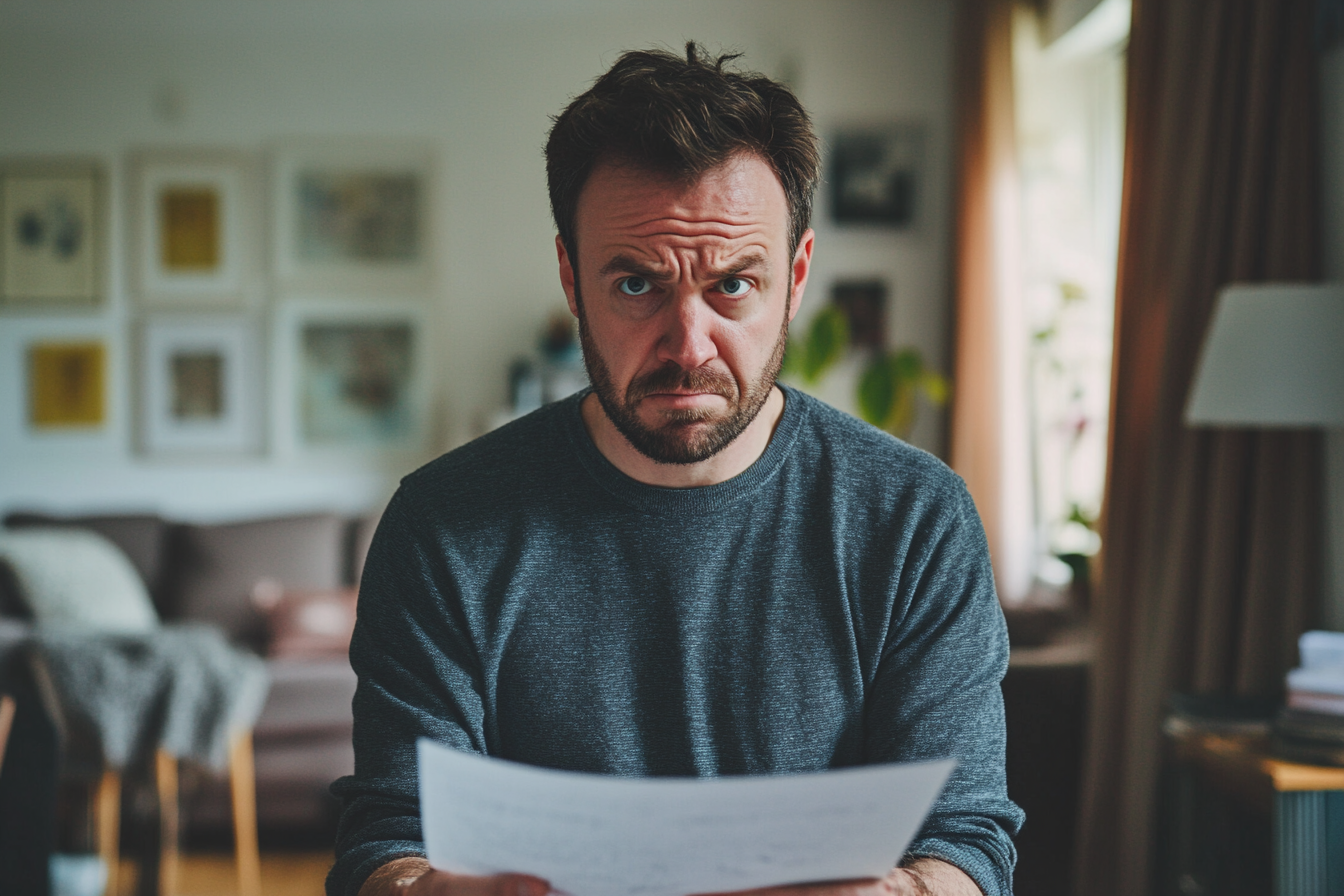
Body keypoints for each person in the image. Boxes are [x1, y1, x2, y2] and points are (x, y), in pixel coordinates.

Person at [328, 44, 1023, 896]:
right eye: (635, 285)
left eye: (732, 285)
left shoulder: (917, 520)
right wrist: (424, 888)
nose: (687, 344)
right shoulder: (443, 525)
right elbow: (387, 835)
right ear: (570, 279)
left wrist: (904, 893)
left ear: (796, 278)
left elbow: (966, 836)